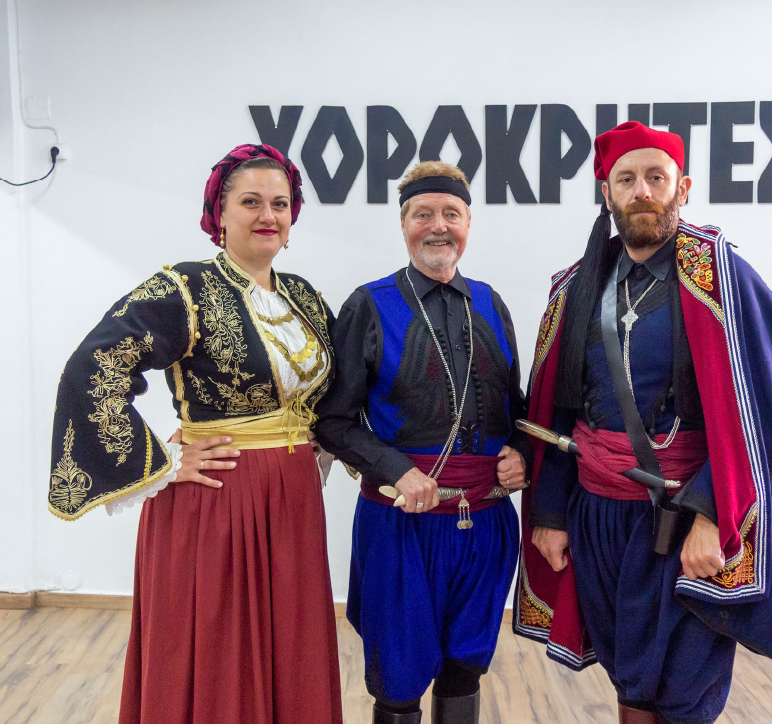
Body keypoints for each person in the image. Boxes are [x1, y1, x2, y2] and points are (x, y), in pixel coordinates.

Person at [513, 122, 772, 724]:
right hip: (597, 513)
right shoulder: (576, 287)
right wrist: (549, 512)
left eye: (657, 177)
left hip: (684, 518)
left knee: (686, 688)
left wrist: (712, 515)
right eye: (627, 179)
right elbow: (556, 411)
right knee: (627, 673)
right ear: (607, 192)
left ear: (684, 188)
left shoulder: (721, 279)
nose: (643, 191)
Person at [47, 144, 343, 723]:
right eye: (251, 202)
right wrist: (162, 462)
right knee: (218, 648)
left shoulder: (303, 297)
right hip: (218, 496)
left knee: (292, 646)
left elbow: (342, 387)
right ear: (219, 213)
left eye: (280, 204)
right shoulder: (186, 287)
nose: (268, 216)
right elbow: (92, 367)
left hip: (293, 498)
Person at [314, 161, 529, 724]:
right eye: (423, 214)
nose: (438, 226)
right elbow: (332, 421)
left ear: (468, 223)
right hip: (401, 523)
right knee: (399, 678)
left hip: (484, 521)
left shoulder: (490, 302)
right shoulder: (369, 304)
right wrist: (395, 470)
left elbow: (518, 408)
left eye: (451, 214)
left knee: (465, 668)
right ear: (403, 224)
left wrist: (524, 453)